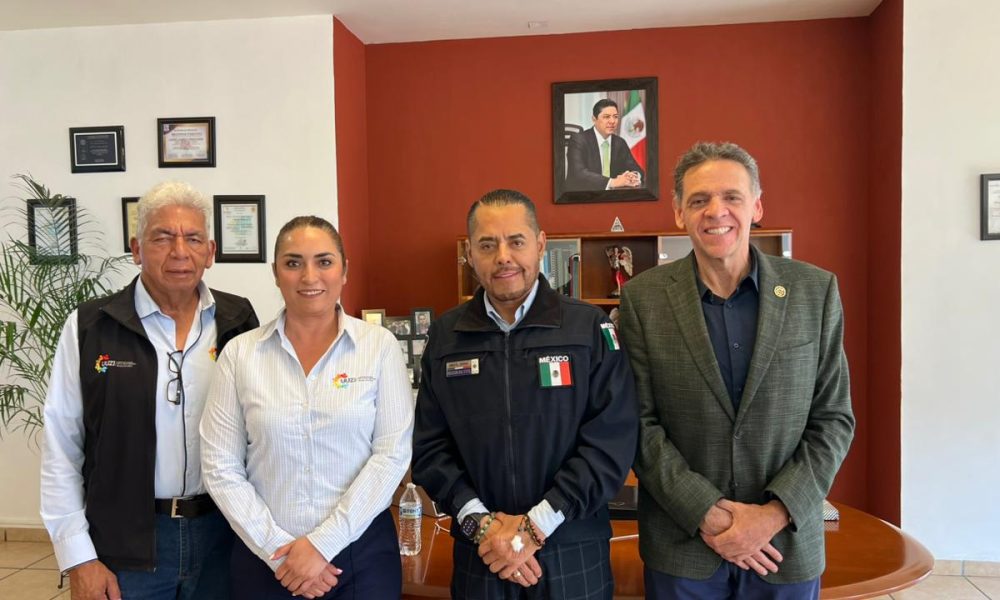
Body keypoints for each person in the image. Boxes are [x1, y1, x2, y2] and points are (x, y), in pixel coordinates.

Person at [618, 141, 856, 599]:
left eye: (732, 196)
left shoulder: (815, 291)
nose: (716, 211)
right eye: (699, 200)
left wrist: (772, 515)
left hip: (783, 546)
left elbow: (833, 418)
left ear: (757, 206)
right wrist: (708, 514)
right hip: (684, 549)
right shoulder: (642, 300)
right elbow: (638, 425)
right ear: (679, 213)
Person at [412, 189, 638, 599]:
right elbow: (430, 449)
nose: (503, 257)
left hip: (571, 549)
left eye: (516, 241)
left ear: (540, 244)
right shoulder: (446, 337)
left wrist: (534, 528)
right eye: (487, 245)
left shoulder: (590, 329)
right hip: (482, 553)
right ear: (470, 255)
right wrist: (484, 527)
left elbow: (612, 442)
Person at [40, 181, 259, 600]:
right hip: (125, 544)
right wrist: (79, 558)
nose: (179, 251)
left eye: (193, 238)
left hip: (224, 535)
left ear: (210, 252)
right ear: (137, 249)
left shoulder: (239, 320)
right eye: (162, 237)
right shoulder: (91, 327)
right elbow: (62, 446)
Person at [200, 216, 413, 600]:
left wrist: (321, 544)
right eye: (293, 263)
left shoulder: (379, 347)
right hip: (266, 558)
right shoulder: (240, 355)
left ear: (344, 271)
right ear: (276, 273)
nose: (309, 276)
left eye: (324, 261)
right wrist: (280, 552)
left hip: (361, 555)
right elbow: (220, 466)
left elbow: (391, 455)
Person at [565, 99, 644, 191]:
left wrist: (633, 176)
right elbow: (578, 174)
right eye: (606, 117)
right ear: (594, 119)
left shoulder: (619, 142)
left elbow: (635, 168)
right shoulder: (579, 140)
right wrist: (613, 182)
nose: (612, 121)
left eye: (615, 117)